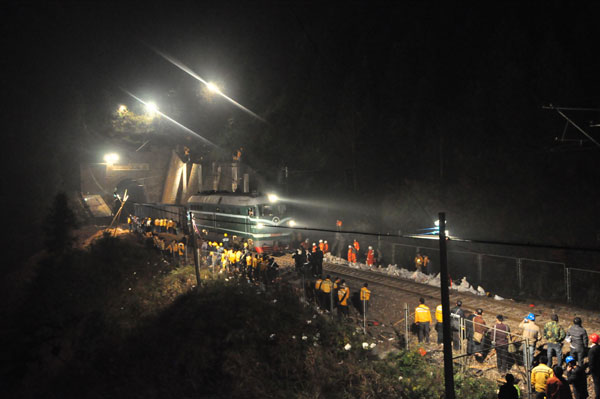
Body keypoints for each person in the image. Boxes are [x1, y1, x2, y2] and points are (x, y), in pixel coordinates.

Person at [588, 333, 600, 399]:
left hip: (595, 370)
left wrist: (591, 371)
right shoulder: (599, 347)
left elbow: (591, 363)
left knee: (597, 384)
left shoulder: (591, 351)